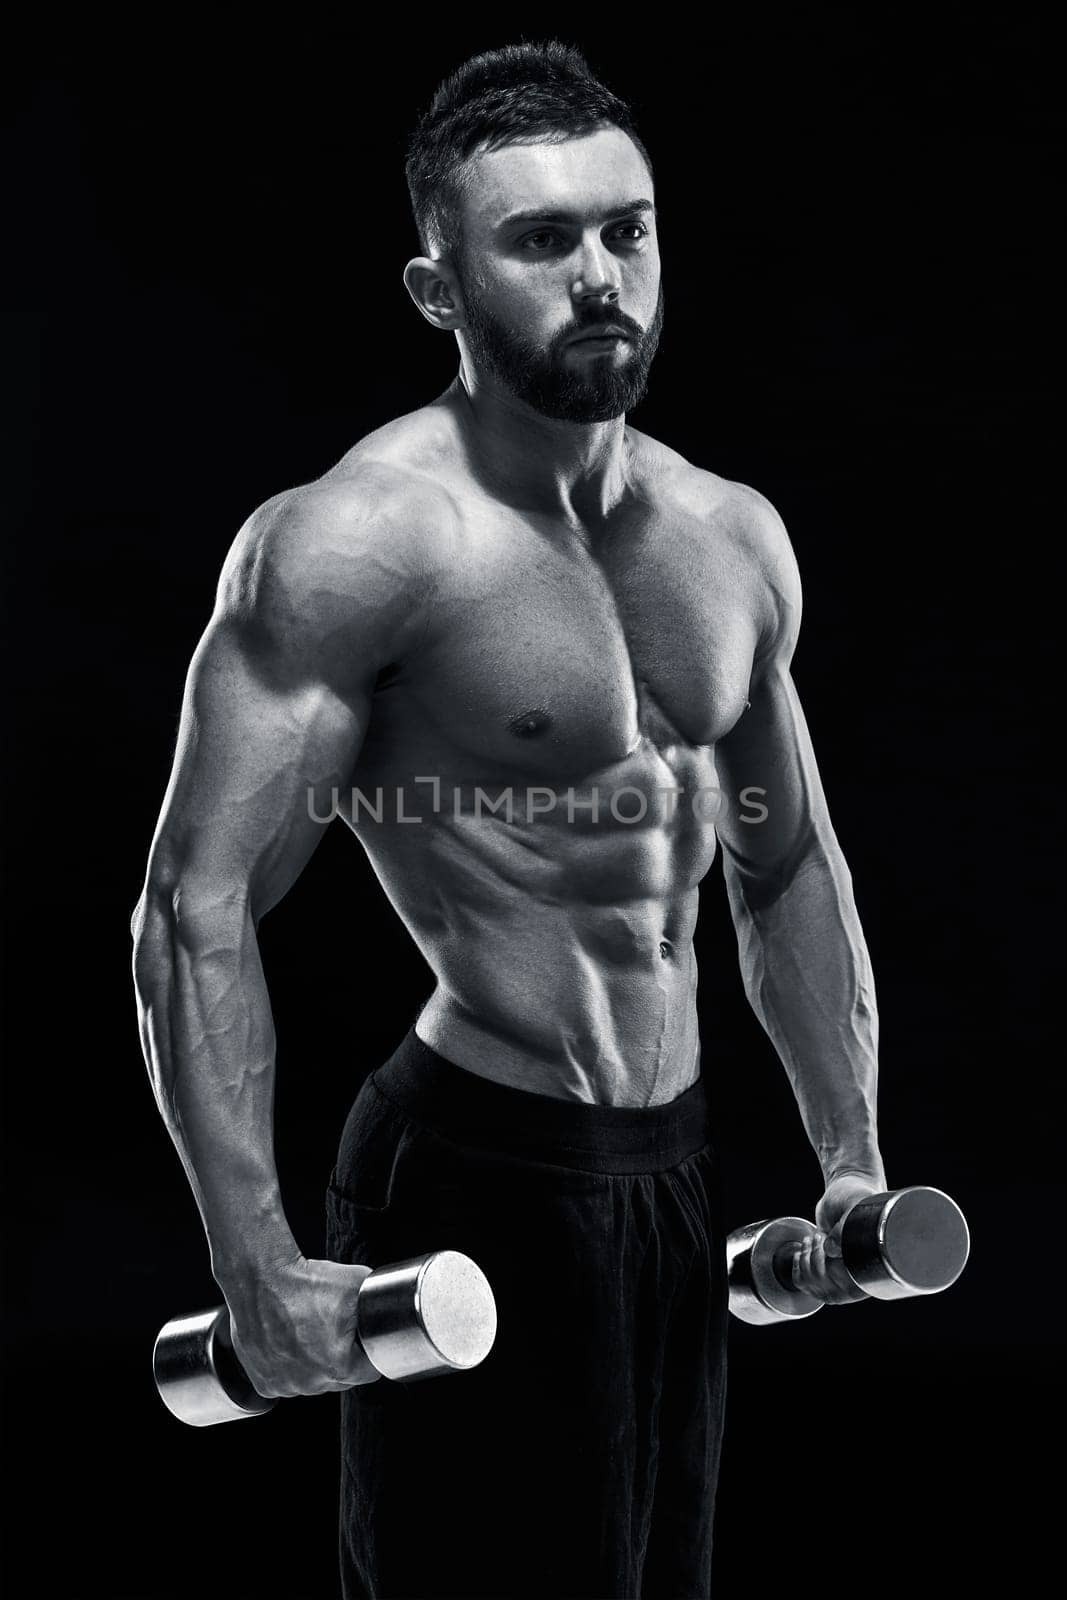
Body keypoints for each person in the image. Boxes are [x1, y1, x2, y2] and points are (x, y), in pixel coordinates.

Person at [131, 39, 887, 1600]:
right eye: (542, 242)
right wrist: (256, 1264)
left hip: (670, 1174)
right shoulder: (354, 547)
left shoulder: (733, 539)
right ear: (438, 291)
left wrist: (851, 1157)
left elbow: (787, 859)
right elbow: (191, 908)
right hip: (474, 1176)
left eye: (630, 228)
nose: (602, 275)